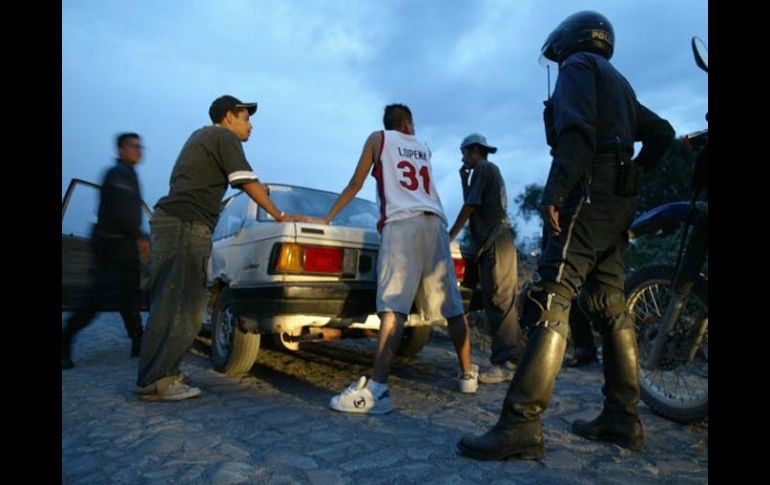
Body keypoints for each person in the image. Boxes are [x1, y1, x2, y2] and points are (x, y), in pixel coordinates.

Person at [458, 11, 674, 460]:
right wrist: (633, 175)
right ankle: (622, 417)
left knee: (551, 296)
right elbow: (662, 133)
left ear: (571, 39)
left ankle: (520, 423)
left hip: (588, 191)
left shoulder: (578, 66)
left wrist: (555, 192)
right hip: (616, 203)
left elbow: (576, 132)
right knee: (611, 302)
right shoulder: (620, 82)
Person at [135, 95, 307, 401]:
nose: (250, 125)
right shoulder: (223, 136)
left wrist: (256, 185)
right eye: (246, 118)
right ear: (230, 117)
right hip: (187, 226)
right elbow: (244, 180)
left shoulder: (201, 136)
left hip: (172, 222)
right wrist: (280, 215)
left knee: (167, 303)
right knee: (185, 306)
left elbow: (240, 181)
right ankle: (158, 380)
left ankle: (157, 374)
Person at [321, 103, 477, 414]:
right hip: (435, 220)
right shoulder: (423, 147)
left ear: (390, 123)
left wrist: (328, 218)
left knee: (393, 307)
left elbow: (356, 183)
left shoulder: (378, 139)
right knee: (452, 306)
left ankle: (378, 388)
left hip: (401, 222)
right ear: (408, 123)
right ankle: (467, 375)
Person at [62, 133, 150, 369]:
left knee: (130, 297)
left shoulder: (129, 175)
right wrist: (140, 236)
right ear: (121, 149)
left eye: (140, 146)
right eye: (134, 146)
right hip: (111, 246)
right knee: (96, 299)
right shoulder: (117, 174)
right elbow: (120, 213)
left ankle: (138, 343)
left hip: (124, 246)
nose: (139, 150)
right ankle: (65, 341)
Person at [448, 133, 522, 384]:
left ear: (474, 151)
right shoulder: (483, 171)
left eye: (464, 153)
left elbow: (470, 207)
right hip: (493, 242)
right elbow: (475, 201)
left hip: (496, 242)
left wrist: (451, 235)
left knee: (501, 301)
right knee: (495, 300)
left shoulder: (484, 168)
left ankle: (507, 363)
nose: (462, 158)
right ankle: (505, 360)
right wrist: (463, 180)